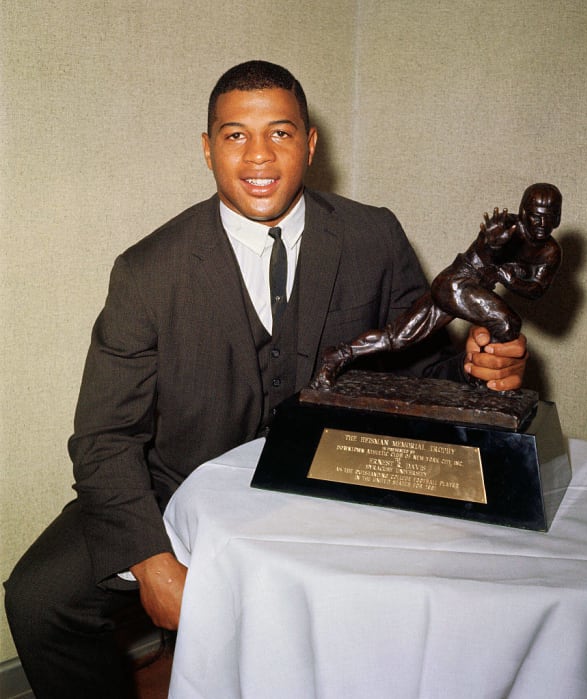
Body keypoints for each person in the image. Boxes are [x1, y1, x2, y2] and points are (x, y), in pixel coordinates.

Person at [4, 60, 527, 698]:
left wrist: (480, 366)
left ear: (310, 144)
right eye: (235, 135)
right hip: (177, 485)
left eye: (279, 133)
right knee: (39, 598)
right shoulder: (147, 271)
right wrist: (152, 561)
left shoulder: (372, 235)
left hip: (331, 478)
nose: (259, 156)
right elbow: (103, 436)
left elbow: (420, 368)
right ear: (206, 149)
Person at [311, 183, 561, 389]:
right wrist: (490, 246)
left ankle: (338, 355)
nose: (540, 224)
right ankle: (485, 385)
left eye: (547, 218)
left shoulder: (549, 251)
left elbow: (536, 290)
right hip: (456, 283)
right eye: (534, 215)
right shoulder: (506, 227)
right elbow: (483, 252)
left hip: (460, 288)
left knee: (396, 337)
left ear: (557, 219)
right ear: (523, 211)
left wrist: (509, 278)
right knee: (508, 323)